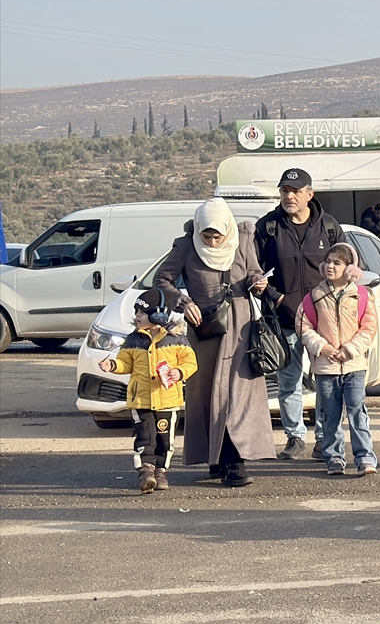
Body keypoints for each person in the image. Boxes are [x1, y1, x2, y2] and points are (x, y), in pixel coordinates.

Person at [155, 198, 274, 487]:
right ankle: (216, 459)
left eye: (217, 235)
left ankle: (235, 462)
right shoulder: (185, 246)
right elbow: (162, 280)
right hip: (205, 329)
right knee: (208, 395)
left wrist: (258, 282)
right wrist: (183, 301)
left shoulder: (243, 239)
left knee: (238, 395)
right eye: (206, 235)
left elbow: (253, 271)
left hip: (241, 329)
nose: (212, 241)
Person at [255, 168, 353, 460]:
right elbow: (254, 272)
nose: (289, 196)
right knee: (289, 382)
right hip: (283, 319)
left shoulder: (330, 227)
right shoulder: (268, 227)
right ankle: (295, 437)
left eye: (295, 191)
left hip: (323, 322)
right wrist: (277, 297)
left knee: (326, 382)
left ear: (310, 194)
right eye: (284, 190)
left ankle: (324, 437)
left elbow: (346, 269)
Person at [98, 288, 197, 494]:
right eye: (136, 313)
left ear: (157, 315)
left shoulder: (176, 338)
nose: (137, 317)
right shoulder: (134, 339)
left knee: (165, 439)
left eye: (141, 313)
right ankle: (146, 471)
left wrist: (179, 372)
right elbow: (125, 363)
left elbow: (190, 362)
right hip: (141, 400)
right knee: (144, 437)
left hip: (168, 400)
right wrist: (113, 366)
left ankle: (161, 472)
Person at [297, 243, 379, 477]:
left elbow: (369, 327)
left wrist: (350, 349)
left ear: (349, 268)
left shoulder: (361, 295)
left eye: (338, 262)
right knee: (329, 415)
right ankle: (334, 456)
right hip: (326, 367)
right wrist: (323, 347)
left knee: (357, 411)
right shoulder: (314, 297)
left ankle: (364, 457)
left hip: (354, 365)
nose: (331, 266)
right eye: (329, 261)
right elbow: (304, 327)